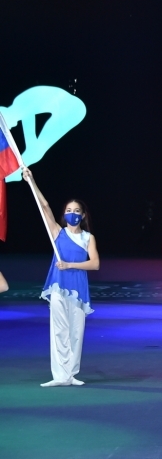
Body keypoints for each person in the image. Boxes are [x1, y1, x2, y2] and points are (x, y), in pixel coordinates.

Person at [22, 166, 99, 387]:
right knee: (59, 330)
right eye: (68, 209)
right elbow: (44, 206)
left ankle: (71, 374)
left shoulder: (87, 238)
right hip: (58, 286)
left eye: (76, 210)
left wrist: (69, 264)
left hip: (78, 288)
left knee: (76, 332)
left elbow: (95, 264)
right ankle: (59, 376)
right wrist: (31, 181)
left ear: (82, 215)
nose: (72, 213)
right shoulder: (57, 232)